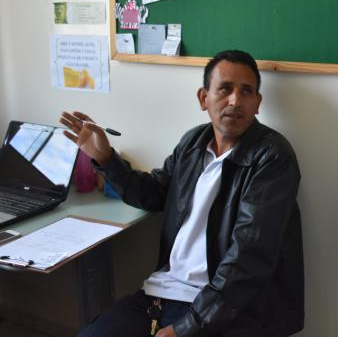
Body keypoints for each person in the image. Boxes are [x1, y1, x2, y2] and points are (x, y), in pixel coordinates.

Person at [61, 50, 303, 337]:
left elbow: (249, 259)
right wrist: (105, 159)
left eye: (246, 92)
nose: (235, 101)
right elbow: (152, 194)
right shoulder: (192, 144)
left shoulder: (272, 157)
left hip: (224, 311)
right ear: (203, 98)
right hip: (160, 294)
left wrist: (186, 328)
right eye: (225, 89)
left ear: (257, 103)